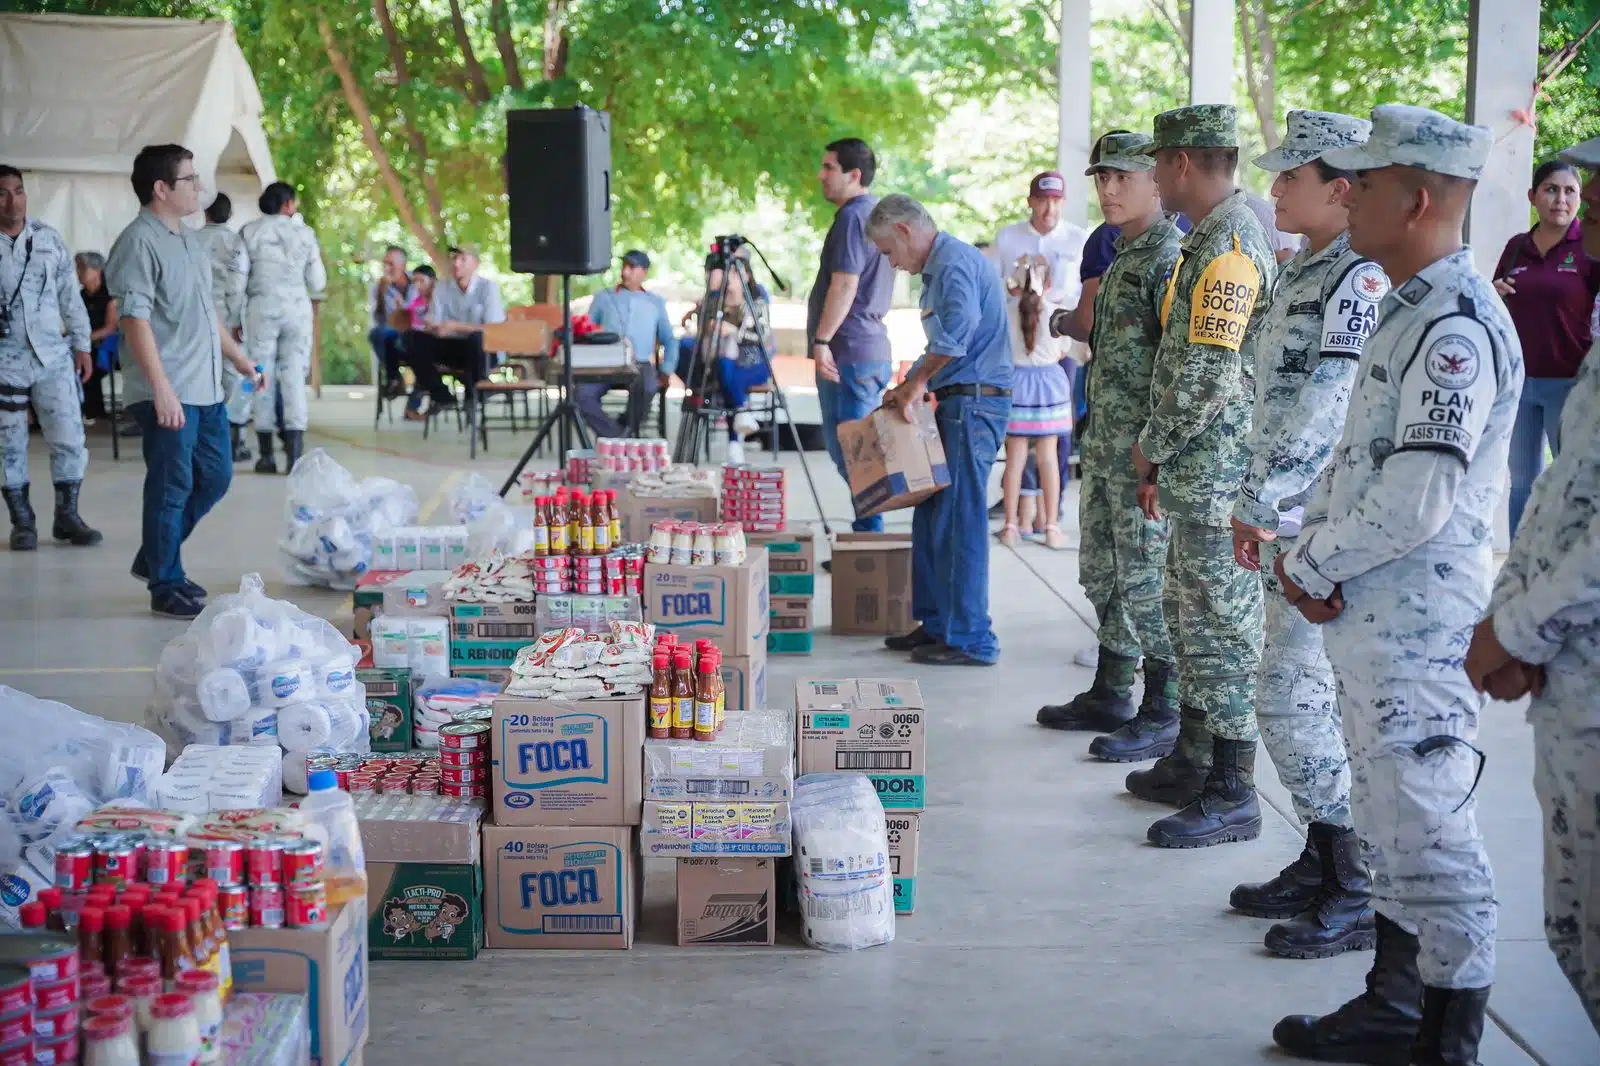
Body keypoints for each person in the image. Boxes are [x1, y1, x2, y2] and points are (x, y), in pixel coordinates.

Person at [1271, 105, 1517, 1066]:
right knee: (1386, 818)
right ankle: (1395, 998)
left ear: (1417, 198)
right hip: (1370, 615)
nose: (1348, 195)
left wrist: (1313, 563)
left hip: (1418, 625)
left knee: (1430, 828)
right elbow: (1353, 461)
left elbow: (1417, 497)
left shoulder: (1455, 326)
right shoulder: (1404, 305)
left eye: (1364, 184)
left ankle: (1447, 1034)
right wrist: (1304, 551)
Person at [1228, 110, 1388, 961]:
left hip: (1319, 520)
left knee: (1292, 698)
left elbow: (1327, 405)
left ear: (1339, 188)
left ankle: (1357, 883)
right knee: (1296, 697)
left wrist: (1260, 496)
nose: (1276, 187)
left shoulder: (1356, 280)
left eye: (1292, 176)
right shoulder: (1303, 269)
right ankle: (1326, 858)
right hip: (1287, 517)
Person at [1466, 133, 1600, 1038]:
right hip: (1569, 680)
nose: (1581, 204)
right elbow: (1558, 497)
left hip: (1569, 659)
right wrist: (1509, 614)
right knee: (1574, 934)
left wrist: (1515, 630)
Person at [1129, 104, 1276, 849]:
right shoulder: (1211, 238)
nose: (1154, 175)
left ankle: (1233, 789)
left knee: (1220, 629)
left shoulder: (1231, 245)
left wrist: (1151, 445)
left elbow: (1212, 371)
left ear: (1185, 163)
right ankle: (1193, 759)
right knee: (1190, 620)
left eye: (1159, 162)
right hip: (1199, 475)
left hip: (1217, 474)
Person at [1033, 133, 1181, 753]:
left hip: (1143, 452)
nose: (1109, 189)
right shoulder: (1121, 251)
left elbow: (1181, 368)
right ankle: (1112, 686)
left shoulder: (1170, 258)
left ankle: (1164, 707)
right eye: (1102, 178)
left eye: (1123, 177)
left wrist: (1158, 459)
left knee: (1147, 579)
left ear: (1157, 181)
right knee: (1105, 570)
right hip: (1106, 443)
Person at [105, 144, 266, 619]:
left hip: (205, 387)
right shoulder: (138, 242)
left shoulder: (191, 239)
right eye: (190, 179)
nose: (199, 187)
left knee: (215, 477)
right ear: (161, 189)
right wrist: (161, 390)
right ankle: (165, 581)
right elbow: (134, 321)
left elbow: (206, 314)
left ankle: (156, 554)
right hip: (169, 390)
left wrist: (239, 359)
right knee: (171, 486)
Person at [871, 194, 1012, 667]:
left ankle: (971, 639)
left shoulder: (953, 263)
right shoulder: (940, 267)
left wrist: (915, 383)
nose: (893, 264)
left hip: (973, 406)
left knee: (960, 521)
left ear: (906, 231)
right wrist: (917, 384)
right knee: (932, 515)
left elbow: (957, 333)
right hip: (956, 403)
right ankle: (936, 624)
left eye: (890, 251)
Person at [0, 164, 102, 551]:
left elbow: (69, 297)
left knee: (69, 435)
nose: (13, 200)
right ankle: (22, 522)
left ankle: (67, 516)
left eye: (19, 191)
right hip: (5, 360)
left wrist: (82, 345)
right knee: (9, 443)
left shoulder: (48, 239)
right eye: (3, 193)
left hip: (52, 358)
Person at [1491, 160, 1596, 534]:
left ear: (1581, 199)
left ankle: (1558, 567)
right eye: (1551, 189)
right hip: (1518, 381)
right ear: (1533, 196)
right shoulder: (1517, 246)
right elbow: (1493, 303)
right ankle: (1519, 568)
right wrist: (1495, 294)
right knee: (1522, 479)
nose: (1560, 199)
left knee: (1569, 480)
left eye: (1570, 191)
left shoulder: (1589, 246)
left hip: (1569, 383)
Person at [989, 171, 1085, 550]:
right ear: (1031, 200)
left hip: (1028, 364)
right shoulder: (1008, 237)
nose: (1049, 208)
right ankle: (1043, 523)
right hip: (1051, 361)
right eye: (1043, 200)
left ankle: (1027, 520)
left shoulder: (1077, 238)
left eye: (1056, 200)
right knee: (1048, 450)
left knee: (1028, 452)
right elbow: (998, 287)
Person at [809, 137, 895, 534]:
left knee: (856, 456)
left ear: (854, 175)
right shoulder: (872, 216)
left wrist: (823, 339)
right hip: (866, 350)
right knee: (855, 453)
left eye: (829, 168)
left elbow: (845, 284)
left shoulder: (852, 217)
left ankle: (872, 545)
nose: (821, 176)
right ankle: (867, 541)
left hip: (849, 353)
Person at [240, 181, 326, 474]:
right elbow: (318, 282)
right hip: (297, 311)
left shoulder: (250, 232)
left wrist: (234, 319)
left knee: (260, 374)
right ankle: (295, 456)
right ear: (288, 205)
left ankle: (266, 455)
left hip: (261, 310)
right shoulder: (305, 234)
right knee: (293, 377)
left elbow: (237, 281)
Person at [579, 249, 673, 438]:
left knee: (648, 387)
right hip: (605, 362)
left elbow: (669, 339)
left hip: (640, 363)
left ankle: (625, 427)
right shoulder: (604, 297)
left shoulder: (655, 303)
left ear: (644, 272)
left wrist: (667, 369)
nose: (626, 272)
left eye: (632, 267)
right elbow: (586, 329)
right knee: (581, 394)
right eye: (624, 267)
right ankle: (618, 436)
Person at [404, 245, 504, 420]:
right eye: (454, 258)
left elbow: (494, 329)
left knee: (477, 338)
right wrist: (433, 327)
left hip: (484, 350)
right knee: (411, 338)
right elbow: (434, 319)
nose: (456, 263)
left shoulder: (488, 288)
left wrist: (456, 327)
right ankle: (442, 396)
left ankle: (473, 395)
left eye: (463, 259)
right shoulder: (442, 287)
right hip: (452, 346)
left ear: (475, 264)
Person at [193, 193, 252, 462]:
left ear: (205, 213)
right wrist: (239, 321)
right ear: (229, 215)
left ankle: (198, 437)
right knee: (229, 377)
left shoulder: (190, 240)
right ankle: (227, 438)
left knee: (198, 376)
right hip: (226, 318)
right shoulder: (236, 243)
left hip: (194, 319)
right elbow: (237, 287)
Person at [75, 251, 118, 423]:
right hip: (89, 342)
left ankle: (94, 412)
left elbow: (110, 328)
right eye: (78, 268)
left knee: (88, 358)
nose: (78, 273)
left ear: (98, 270)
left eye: (83, 268)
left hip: (110, 345)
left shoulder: (110, 295)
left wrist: (85, 338)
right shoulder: (80, 296)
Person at [369, 245, 413, 401]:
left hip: (416, 338)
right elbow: (380, 322)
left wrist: (404, 308)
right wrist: (381, 296)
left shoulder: (418, 282)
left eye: (391, 264)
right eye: (385, 264)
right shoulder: (379, 287)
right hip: (394, 340)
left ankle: (395, 381)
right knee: (377, 333)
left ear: (403, 266)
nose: (387, 268)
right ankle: (395, 378)